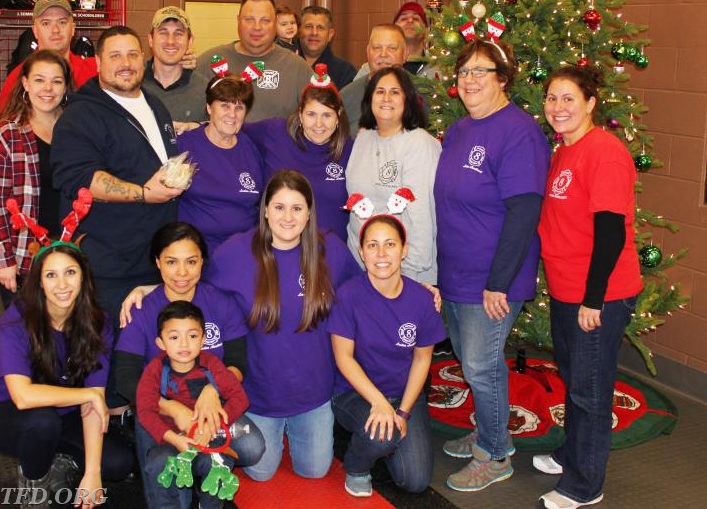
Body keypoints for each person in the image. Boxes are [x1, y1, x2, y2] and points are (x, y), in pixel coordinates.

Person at [433, 38, 550, 492]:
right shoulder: (461, 129)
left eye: (481, 72)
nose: (470, 80)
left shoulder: (519, 132)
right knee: (470, 360)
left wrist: (499, 283)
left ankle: (496, 452)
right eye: (464, 72)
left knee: (481, 366)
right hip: (457, 272)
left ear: (503, 79)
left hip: (494, 279)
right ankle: (489, 431)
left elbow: (524, 213)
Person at [204, 169, 359, 482]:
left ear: (309, 213)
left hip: (313, 392)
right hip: (259, 392)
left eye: (297, 208)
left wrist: (418, 290)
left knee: (315, 471)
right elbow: (196, 296)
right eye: (279, 207)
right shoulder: (233, 253)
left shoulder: (330, 250)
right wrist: (149, 290)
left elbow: (364, 294)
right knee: (261, 472)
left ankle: (300, 428)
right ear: (264, 209)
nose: (288, 217)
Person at [535, 65, 642, 509]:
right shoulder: (564, 150)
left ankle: (585, 485)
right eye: (551, 99)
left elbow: (611, 231)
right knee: (575, 378)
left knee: (591, 390)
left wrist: (593, 298)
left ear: (591, 104)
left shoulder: (605, 152)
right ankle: (572, 454)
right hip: (566, 289)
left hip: (598, 294)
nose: (558, 108)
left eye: (568, 99)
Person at [114, 223, 264, 506]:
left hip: (210, 407)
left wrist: (212, 390)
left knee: (253, 446)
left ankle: (200, 464)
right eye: (171, 262)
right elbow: (124, 378)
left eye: (191, 261)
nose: (182, 273)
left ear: (202, 262)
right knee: (170, 491)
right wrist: (170, 407)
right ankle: (187, 461)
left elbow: (237, 362)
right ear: (158, 263)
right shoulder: (141, 310)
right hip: (159, 408)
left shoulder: (221, 303)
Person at [0, 242, 134, 507]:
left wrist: (93, 473)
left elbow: (93, 402)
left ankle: (58, 458)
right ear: (39, 282)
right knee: (42, 422)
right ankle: (34, 490)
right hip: (8, 413)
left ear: (83, 276)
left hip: (65, 413)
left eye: (70, 272)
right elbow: (23, 396)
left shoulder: (98, 322)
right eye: (51, 275)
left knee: (117, 464)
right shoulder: (17, 320)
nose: (62, 284)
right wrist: (88, 395)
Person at [51, 25, 183, 326]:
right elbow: (79, 179)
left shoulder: (156, 106)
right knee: (107, 357)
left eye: (133, 54)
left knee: (148, 355)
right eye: (115, 56)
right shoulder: (80, 116)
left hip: (154, 260)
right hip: (108, 268)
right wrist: (143, 193)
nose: (126, 63)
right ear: (98, 63)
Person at [328, 215, 446, 497]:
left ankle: (384, 438)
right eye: (372, 245)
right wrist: (379, 402)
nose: (381, 254)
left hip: (404, 394)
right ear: (361, 252)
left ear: (404, 250)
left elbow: (422, 360)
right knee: (382, 436)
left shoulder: (422, 299)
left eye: (390, 244)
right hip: (354, 394)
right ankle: (358, 465)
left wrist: (403, 412)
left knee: (415, 481)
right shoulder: (347, 295)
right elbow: (344, 358)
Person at [136, 301, 250, 509]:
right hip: (169, 442)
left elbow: (240, 398)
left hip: (206, 437)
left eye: (192, 336)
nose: (184, 344)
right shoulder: (154, 370)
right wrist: (172, 438)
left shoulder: (212, 365)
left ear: (203, 339)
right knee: (158, 465)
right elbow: (145, 410)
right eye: (174, 337)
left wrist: (212, 426)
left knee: (221, 464)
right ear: (160, 343)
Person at [0, 50, 73, 308]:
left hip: (69, 250)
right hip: (26, 254)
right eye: (39, 80)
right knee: (28, 335)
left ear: (66, 86)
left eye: (56, 81)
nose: (48, 89)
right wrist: (4, 262)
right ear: (25, 83)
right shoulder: (6, 134)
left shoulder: (76, 127)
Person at [345, 66, 440, 284]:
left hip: (405, 273)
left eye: (395, 92)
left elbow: (422, 214)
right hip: (362, 270)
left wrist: (410, 273)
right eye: (380, 91)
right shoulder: (363, 138)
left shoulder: (419, 143)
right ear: (369, 99)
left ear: (407, 99)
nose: (386, 98)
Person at [243, 69, 353, 237]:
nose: (318, 124)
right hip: (277, 248)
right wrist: (196, 125)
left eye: (327, 115)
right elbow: (231, 129)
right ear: (300, 113)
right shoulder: (274, 132)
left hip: (329, 253)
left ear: (338, 116)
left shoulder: (351, 150)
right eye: (311, 114)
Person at [192, 0, 314, 120]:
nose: (257, 27)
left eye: (265, 20)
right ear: (238, 20)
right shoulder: (210, 61)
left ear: (275, 24)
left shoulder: (296, 67)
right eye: (249, 20)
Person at [177, 74, 263, 253]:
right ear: (209, 107)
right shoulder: (184, 145)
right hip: (195, 252)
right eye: (224, 105)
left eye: (239, 107)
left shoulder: (251, 148)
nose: (232, 114)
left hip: (244, 251)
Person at [0, 0, 97, 112]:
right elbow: (6, 124)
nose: (55, 30)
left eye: (62, 22)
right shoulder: (18, 77)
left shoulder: (96, 71)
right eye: (46, 23)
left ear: (73, 29)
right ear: (35, 31)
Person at [141, 6, 209, 123]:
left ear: (190, 41)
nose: (171, 41)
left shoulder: (205, 89)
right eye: (163, 32)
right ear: (151, 39)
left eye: (178, 33)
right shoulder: (134, 83)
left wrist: (200, 126)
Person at [341, 24, 408, 134]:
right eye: (377, 48)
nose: (383, 54)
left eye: (392, 48)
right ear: (367, 52)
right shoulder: (346, 97)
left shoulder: (424, 93)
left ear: (405, 54)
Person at [297, 6, 356, 89]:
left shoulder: (345, 71)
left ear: (330, 34)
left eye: (320, 28)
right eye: (308, 26)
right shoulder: (287, 64)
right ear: (299, 31)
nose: (314, 33)